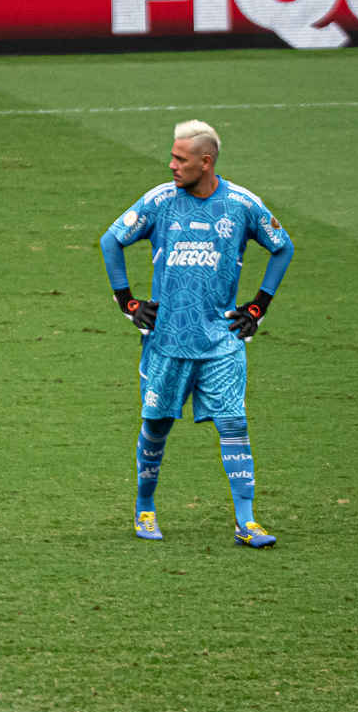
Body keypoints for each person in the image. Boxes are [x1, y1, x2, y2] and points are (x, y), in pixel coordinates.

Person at [99, 119, 294, 548]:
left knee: (234, 423)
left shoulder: (242, 205)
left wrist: (258, 307)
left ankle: (247, 521)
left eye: (180, 159)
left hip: (221, 339)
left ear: (205, 163)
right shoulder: (160, 201)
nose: (171, 165)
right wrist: (127, 302)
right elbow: (110, 241)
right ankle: (144, 509)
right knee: (156, 425)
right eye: (172, 156)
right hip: (168, 339)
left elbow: (283, 247)